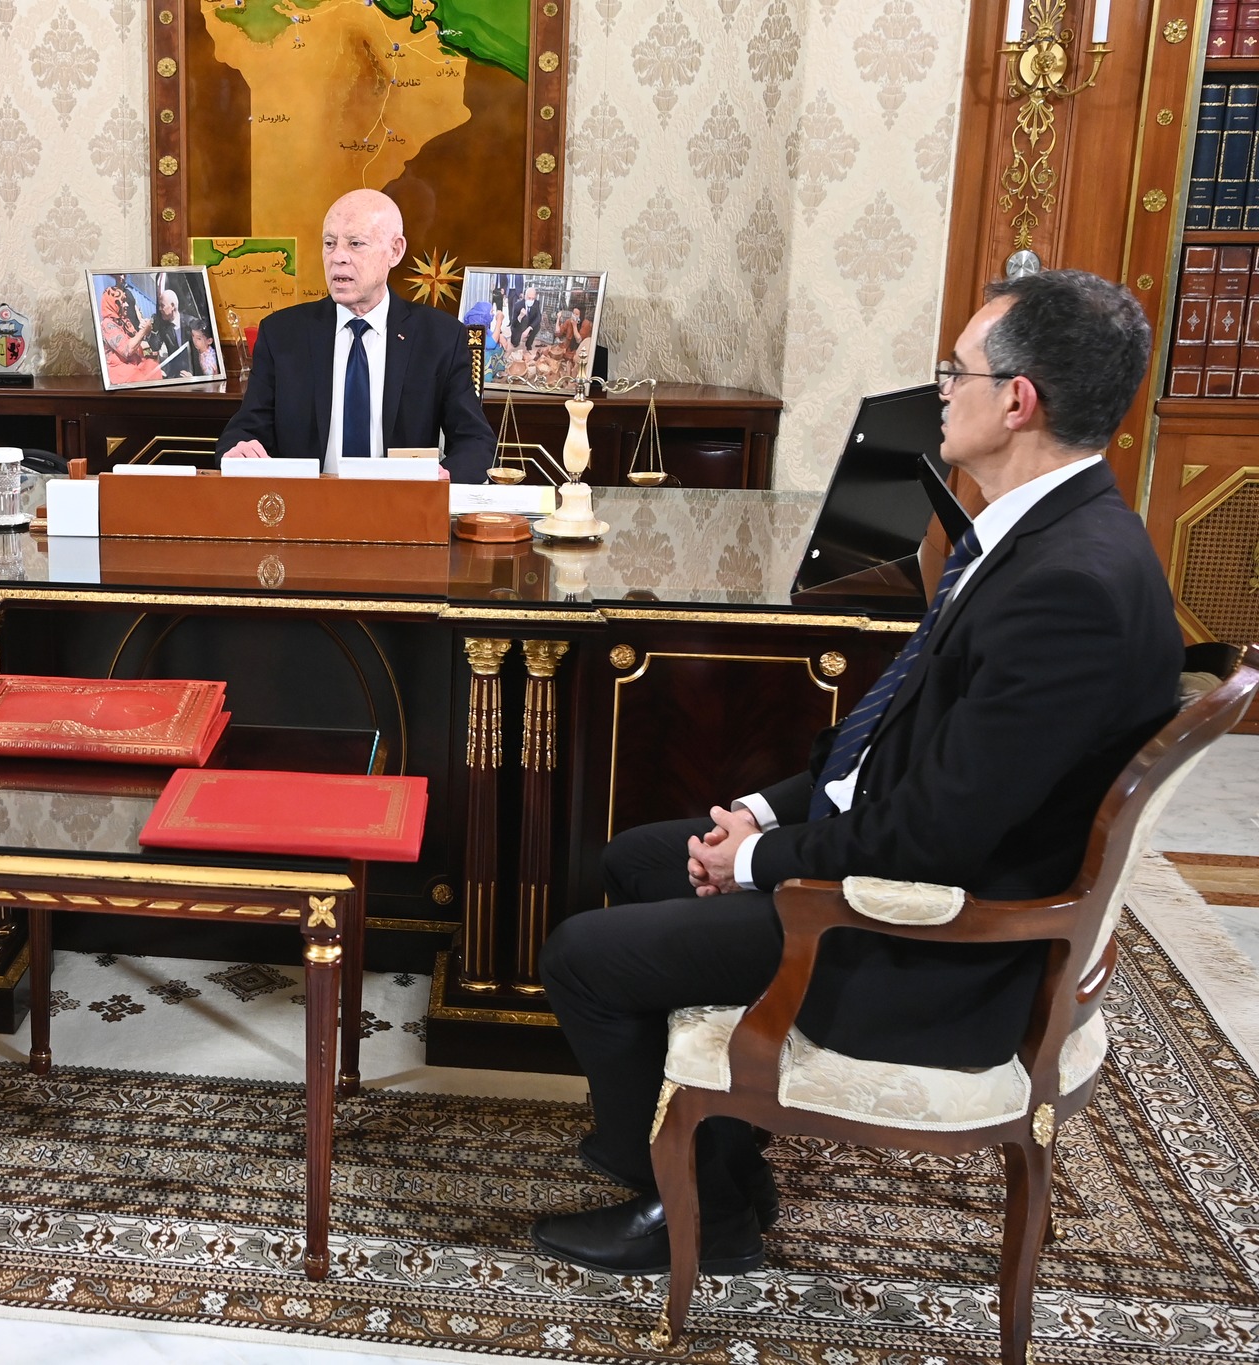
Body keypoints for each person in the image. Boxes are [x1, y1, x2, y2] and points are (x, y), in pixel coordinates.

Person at [532, 269, 1183, 1277]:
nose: (940, 393)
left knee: (583, 957)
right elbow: (894, 744)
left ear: (1018, 401)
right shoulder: (1049, 535)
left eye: (954, 372)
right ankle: (722, 1162)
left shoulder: (1069, 590)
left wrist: (760, 863)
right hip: (925, 872)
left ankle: (693, 1207)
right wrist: (759, 817)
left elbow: (934, 837)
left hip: (940, 945)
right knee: (637, 859)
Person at [215, 189, 495, 481]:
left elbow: (475, 441)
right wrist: (238, 450)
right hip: (308, 503)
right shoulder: (282, 334)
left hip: (400, 503)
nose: (338, 257)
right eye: (329, 243)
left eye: (355, 243)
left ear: (395, 251)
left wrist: (444, 477)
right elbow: (244, 430)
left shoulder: (439, 336)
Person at [98, 281, 164, 384]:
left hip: (135, 364)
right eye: (123, 301)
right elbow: (127, 350)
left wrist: (151, 347)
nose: (127, 305)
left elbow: (137, 343)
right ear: (112, 303)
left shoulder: (125, 321)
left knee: (155, 367)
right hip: (122, 372)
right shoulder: (107, 324)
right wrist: (143, 331)